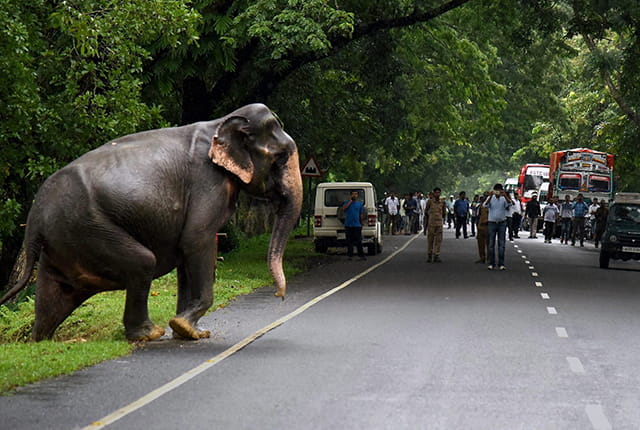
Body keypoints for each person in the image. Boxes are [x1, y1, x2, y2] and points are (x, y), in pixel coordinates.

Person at [483, 183, 513, 270]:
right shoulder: (491, 198)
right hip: (492, 222)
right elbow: (485, 205)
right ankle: (491, 263)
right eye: (496, 190)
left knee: (502, 244)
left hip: (502, 222)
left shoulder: (504, 198)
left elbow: (510, 205)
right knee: (491, 244)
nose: (498, 192)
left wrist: (505, 196)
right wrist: (490, 196)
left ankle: (501, 263)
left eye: (499, 190)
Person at [342, 190, 366, 260]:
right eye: (353, 194)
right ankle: (350, 255)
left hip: (357, 225)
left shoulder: (359, 204)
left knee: (359, 241)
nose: (354, 195)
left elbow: (361, 214)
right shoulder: (347, 203)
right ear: (350, 195)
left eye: (356, 194)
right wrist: (350, 201)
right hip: (348, 224)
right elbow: (344, 209)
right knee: (349, 241)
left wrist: (361, 223)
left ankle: (361, 255)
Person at [425, 187, 446, 263]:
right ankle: (429, 255)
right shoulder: (430, 202)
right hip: (431, 223)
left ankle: (436, 255)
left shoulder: (442, 202)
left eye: (438, 192)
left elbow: (444, 213)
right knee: (430, 239)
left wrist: (440, 218)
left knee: (438, 240)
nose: (437, 194)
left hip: (439, 223)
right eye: (436, 192)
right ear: (433, 193)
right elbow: (426, 211)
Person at [475, 191, 490, 263]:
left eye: (487, 196)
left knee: (489, 243)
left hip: (488, 225)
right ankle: (482, 257)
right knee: (480, 243)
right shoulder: (481, 205)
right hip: (481, 225)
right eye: (484, 196)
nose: (485, 197)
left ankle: (489, 258)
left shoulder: (491, 205)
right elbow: (478, 215)